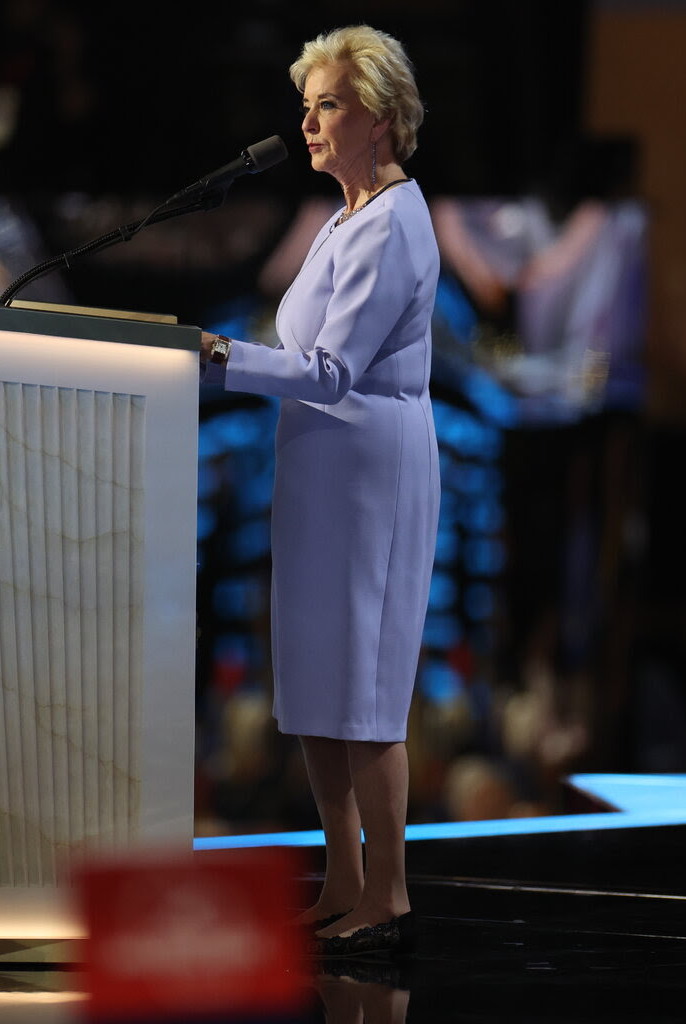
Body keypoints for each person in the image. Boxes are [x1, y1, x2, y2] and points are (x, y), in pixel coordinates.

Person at [199, 24, 440, 957]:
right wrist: (229, 360)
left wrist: (223, 357)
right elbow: (301, 352)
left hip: (371, 471)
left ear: (378, 118)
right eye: (306, 106)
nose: (307, 122)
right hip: (318, 469)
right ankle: (342, 874)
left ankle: (391, 888)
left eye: (327, 104)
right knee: (316, 684)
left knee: (367, 691)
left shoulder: (393, 220)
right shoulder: (344, 216)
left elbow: (332, 368)